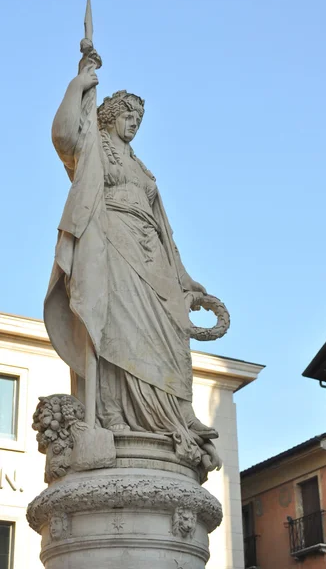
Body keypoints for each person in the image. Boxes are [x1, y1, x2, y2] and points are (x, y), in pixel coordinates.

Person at [44, 54, 221, 473]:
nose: (135, 122)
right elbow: (64, 136)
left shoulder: (142, 168)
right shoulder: (95, 148)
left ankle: (177, 411)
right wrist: (79, 85)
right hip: (112, 246)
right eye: (129, 115)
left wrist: (186, 280)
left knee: (172, 334)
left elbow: (166, 230)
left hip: (152, 252)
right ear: (110, 116)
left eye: (139, 118)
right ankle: (117, 415)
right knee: (119, 330)